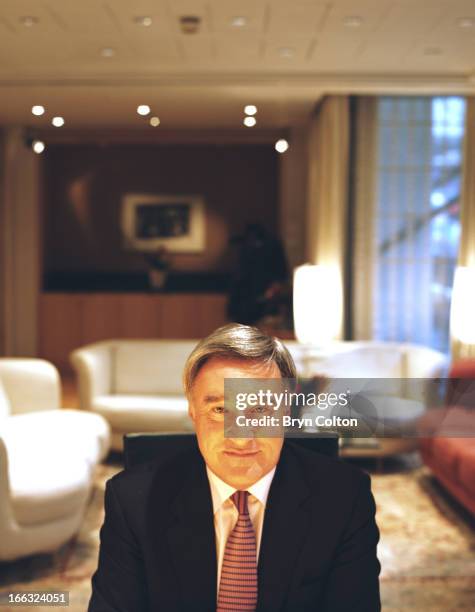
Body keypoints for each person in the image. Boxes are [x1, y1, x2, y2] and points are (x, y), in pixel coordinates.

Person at [88, 323, 381, 611]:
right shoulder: (132, 501)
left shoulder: (345, 499)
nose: (241, 440)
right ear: (192, 410)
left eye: (261, 410)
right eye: (219, 410)